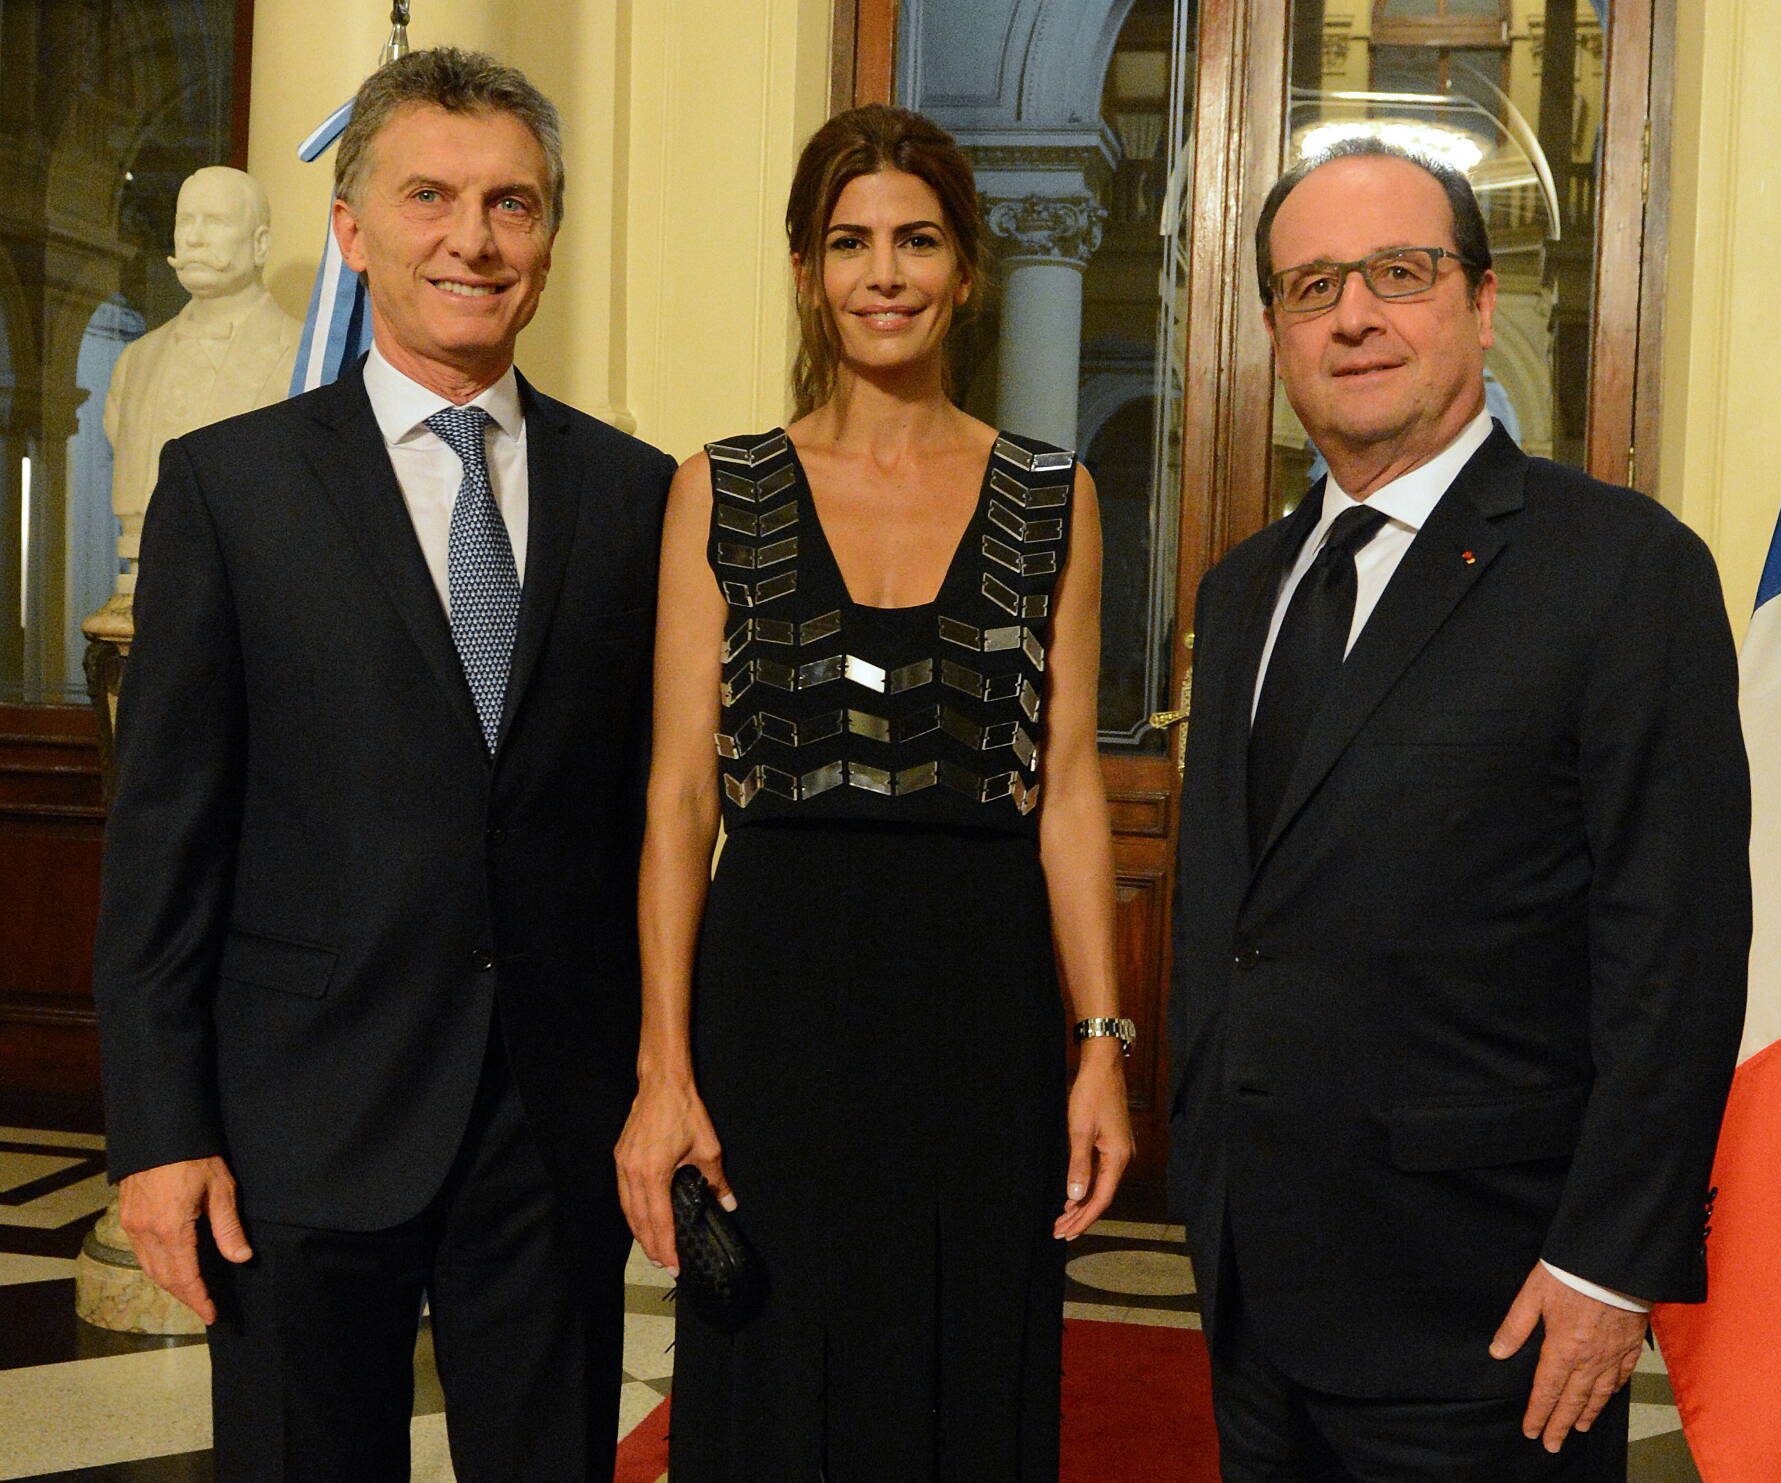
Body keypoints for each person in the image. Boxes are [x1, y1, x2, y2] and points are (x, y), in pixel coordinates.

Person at [92, 48, 674, 1482]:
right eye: (429, 195)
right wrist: (159, 1133)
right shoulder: (229, 490)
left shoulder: (639, 495)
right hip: (298, 1123)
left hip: (551, 1127)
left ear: (546, 235)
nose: (471, 239)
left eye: (511, 203)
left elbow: (655, 816)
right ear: (352, 231)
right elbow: (166, 836)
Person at [1166, 139, 1751, 1481]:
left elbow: (1677, 950)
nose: (1354, 313)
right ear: (1271, 329)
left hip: (1490, 1311)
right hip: (1259, 1288)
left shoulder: (1622, 570)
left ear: (1483, 304)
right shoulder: (1244, 588)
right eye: (1312, 286)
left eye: (1399, 272)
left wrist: (1610, 1258)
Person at [615, 102, 1134, 1482]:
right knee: (772, 1366)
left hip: (982, 999)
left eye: (915, 241)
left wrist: (1100, 1040)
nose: (883, 273)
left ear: (967, 269)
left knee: (969, 1365)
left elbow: (1069, 790)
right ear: (807, 269)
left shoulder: (1052, 495)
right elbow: (677, 800)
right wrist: (665, 1065)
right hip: (773, 988)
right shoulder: (715, 490)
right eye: (850, 243)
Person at [102, 165, 301, 600]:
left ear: (260, 243)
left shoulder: (304, 358)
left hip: (253, 584)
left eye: (214, 222)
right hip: (143, 576)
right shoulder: (135, 361)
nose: (193, 237)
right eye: (184, 221)